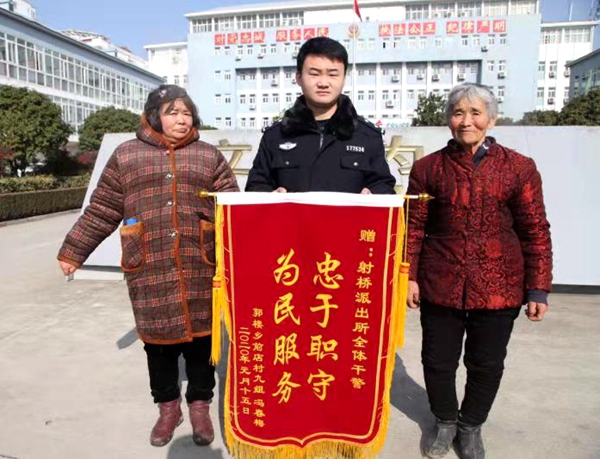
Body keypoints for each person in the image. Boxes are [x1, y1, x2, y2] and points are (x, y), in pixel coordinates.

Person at [57, 85, 239, 448]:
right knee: (158, 346)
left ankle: (200, 405)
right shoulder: (127, 156)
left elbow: (232, 206)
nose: (182, 119)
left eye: (187, 112)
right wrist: (73, 251)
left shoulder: (207, 155)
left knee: (202, 343)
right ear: (154, 116)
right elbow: (103, 208)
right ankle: (168, 407)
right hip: (148, 265)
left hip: (199, 263)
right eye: (172, 112)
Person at [405, 83, 552, 459]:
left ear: (492, 119)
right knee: (438, 360)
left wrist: (538, 288)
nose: (466, 121)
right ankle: (444, 420)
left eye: (475, 113)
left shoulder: (518, 167)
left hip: (500, 284)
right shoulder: (428, 169)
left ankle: (470, 425)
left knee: (486, 363)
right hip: (441, 281)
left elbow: (535, 229)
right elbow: (414, 228)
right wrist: (409, 277)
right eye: (458, 113)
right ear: (448, 120)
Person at [245, 36, 395, 194]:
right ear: (298, 77)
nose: (323, 83)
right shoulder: (275, 135)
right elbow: (256, 185)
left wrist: (374, 195)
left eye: (332, 74)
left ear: (344, 78)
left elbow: (384, 186)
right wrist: (270, 196)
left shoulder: (367, 136)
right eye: (315, 74)